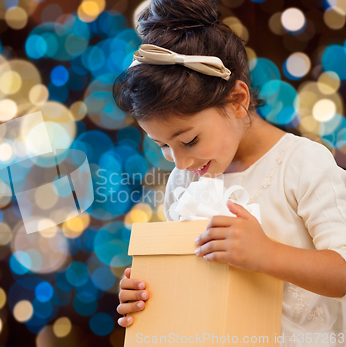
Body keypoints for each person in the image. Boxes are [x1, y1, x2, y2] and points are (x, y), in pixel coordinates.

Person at [113, 0, 346, 346]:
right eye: (162, 146)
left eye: (189, 140)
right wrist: (149, 290)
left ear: (237, 100)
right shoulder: (184, 182)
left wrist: (268, 254)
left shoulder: (303, 164)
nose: (178, 162)